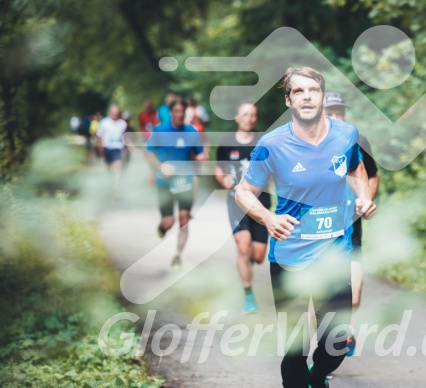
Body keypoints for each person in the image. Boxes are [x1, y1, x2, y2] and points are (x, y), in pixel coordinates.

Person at [236, 67, 376, 388]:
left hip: (335, 256)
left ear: (323, 97)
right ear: (289, 100)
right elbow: (243, 191)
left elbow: (356, 169)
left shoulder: (346, 135)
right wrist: (268, 218)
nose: (307, 96)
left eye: (313, 90)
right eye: (298, 91)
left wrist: (364, 197)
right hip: (290, 258)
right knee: (295, 348)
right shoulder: (272, 144)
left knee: (337, 340)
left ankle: (317, 379)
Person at [323, 92, 380, 378]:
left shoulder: (358, 141)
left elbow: (372, 175)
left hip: (350, 228)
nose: (335, 117)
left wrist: (365, 199)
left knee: (353, 294)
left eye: (338, 112)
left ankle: (345, 329)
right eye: (329, 112)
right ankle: (326, 351)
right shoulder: (312, 144)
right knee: (321, 297)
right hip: (318, 233)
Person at [215, 102, 271, 314]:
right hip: (236, 202)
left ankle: (245, 261)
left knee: (257, 256)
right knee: (243, 245)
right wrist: (223, 182)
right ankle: (249, 296)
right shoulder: (227, 143)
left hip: (261, 204)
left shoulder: (263, 143)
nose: (249, 118)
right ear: (237, 118)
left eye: (253, 115)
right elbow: (219, 170)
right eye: (245, 114)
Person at [146, 99, 208, 267]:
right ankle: (162, 227)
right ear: (171, 112)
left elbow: (199, 153)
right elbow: (149, 153)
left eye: (182, 111)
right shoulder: (160, 130)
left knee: (184, 219)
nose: (180, 114)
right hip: (164, 182)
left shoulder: (192, 131)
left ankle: (178, 256)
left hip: (184, 181)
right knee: (169, 222)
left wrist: (202, 157)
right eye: (176, 111)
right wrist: (161, 168)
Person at [96, 105, 127, 198]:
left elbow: (125, 137)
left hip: (118, 148)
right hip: (107, 148)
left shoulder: (123, 123)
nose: (114, 114)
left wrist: (125, 150)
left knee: (118, 170)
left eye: (116, 112)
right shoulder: (104, 122)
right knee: (108, 170)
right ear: (110, 112)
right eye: (113, 112)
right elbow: (99, 135)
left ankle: (116, 190)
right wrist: (100, 149)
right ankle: (109, 187)